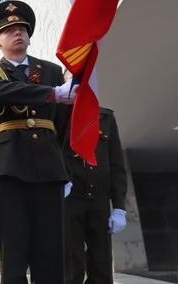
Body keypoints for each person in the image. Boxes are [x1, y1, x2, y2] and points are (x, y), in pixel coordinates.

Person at [0, 0, 77, 283]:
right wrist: (52, 94)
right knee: (14, 250)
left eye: (22, 28)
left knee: (51, 252)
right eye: (9, 30)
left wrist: (66, 170)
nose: (17, 33)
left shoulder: (52, 71)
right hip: (11, 167)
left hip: (49, 167)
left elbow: (63, 127)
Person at [63, 78, 127, 284]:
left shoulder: (105, 118)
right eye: (73, 82)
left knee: (102, 264)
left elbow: (116, 163)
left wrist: (119, 206)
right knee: (70, 264)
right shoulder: (60, 116)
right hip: (70, 198)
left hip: (99, 198)